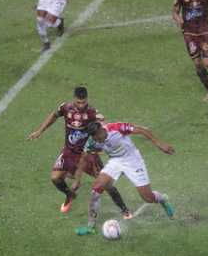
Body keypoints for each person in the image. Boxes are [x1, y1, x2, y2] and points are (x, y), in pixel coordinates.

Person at [27, 87, 131, 217]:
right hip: (69, 152)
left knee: (106, 184)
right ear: (73, 99)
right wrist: (39, 131)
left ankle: (124, 209)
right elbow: (54, 115)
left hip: (87, 155)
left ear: (87, 99)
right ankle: (70, 195)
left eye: (83, 102)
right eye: (78, 102)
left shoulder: (92, 113)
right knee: (55, 178)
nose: (81, 105)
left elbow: (104, 126)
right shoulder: (65, 108)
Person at [74, 121, 175, 236]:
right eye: (94, 138)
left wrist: (160, 144)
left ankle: (162, 199)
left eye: (97, 137)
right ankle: (90, 227)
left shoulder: (116, 128)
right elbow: (84, 158)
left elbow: (142, 130)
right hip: (115, 161)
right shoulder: (92, 141)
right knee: (96, 189)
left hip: (133, 161)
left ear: (101, 130)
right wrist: (77, 180)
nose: (97, 140)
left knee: (148, 197)